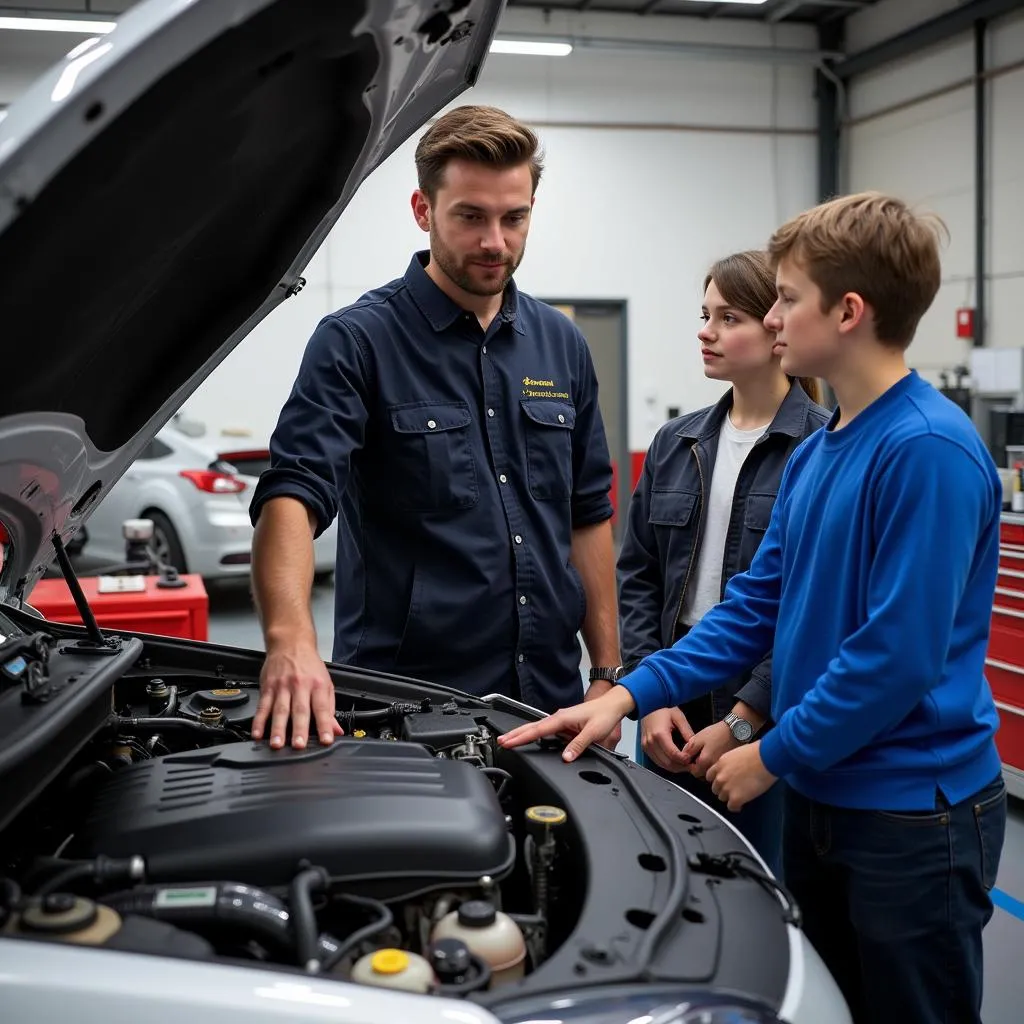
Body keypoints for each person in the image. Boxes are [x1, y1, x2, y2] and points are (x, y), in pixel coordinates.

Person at [498, 191, 1008, 1024]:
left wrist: (767, 754)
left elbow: (896, 658)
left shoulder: (927, 451)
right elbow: (749, 611)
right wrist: (626, 695)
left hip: (914, 816)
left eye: (786, 298)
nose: (772, 318)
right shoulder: (823, 451)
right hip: (824, 792)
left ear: (847, 312)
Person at [247, 105, 622, 753]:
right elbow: (292, 497)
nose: (495, 242)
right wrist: (291, 642)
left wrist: (607, 675)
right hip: (408, 706)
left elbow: (587, 515)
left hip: (550, 698)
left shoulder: (562, 344)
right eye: (470, 216)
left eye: (515, 217)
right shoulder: (358, 341)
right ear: (423, 210)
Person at [618, 249, 829, 877]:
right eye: (704, 314)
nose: (705, 332)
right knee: (666, 870)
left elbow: (801, 605)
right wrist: (648, 693)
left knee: (756, 880)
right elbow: (637, 575)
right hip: (674, 685)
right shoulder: (675, 443)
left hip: (767, 694)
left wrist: (748, 718)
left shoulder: (819, 448)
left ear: (776, 328)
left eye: (727, 317)